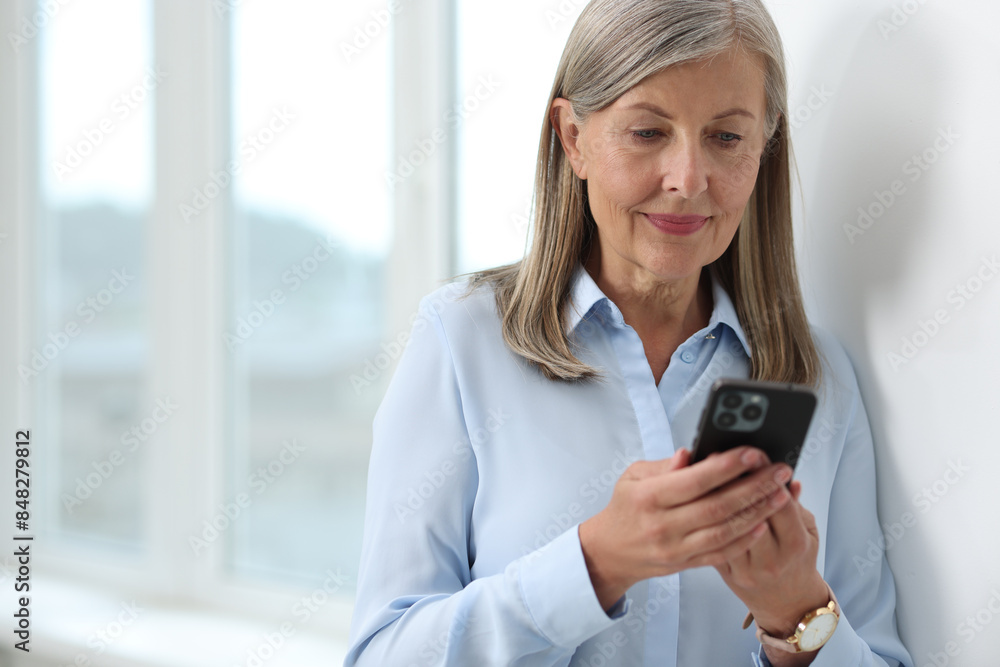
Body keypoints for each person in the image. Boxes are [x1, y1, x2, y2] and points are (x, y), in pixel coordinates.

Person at [345, 0, 913, 665]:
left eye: (726, 137)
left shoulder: (822, 379)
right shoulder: (460, 342)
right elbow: (383, 654)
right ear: (573, 137)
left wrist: (795, 613)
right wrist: (594, 564)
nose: (687, 179)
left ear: (765, 148)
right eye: (648, 132)